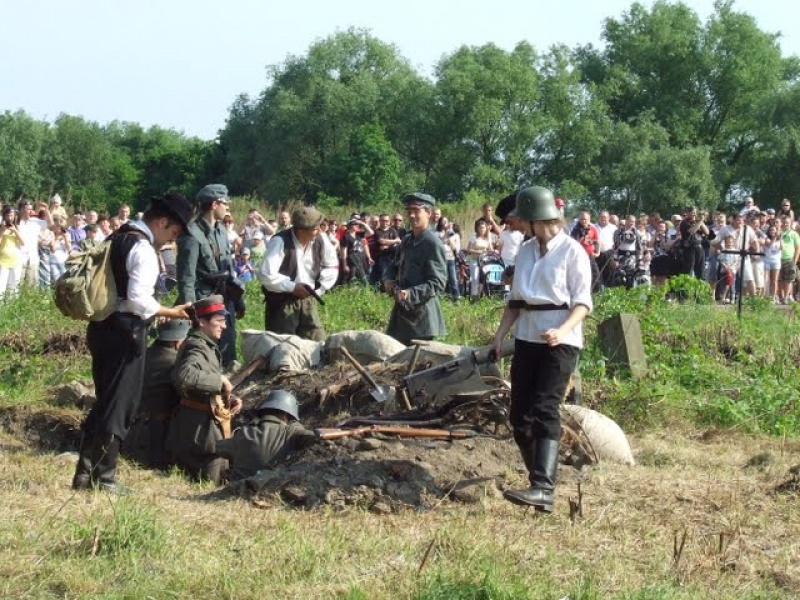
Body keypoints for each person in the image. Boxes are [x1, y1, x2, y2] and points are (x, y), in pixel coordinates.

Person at [71, 193, 193, 493]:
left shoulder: (118, 235)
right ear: (163, 222)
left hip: (102, 328)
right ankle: (106, 477)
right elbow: (139, 300)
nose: (169, 241)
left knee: (106, 401)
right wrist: (170, 311)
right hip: (125, 332)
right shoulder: (142, 248)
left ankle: (85, 474)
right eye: (173, 233)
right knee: (120, 406)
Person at [490, 186, 592, 513]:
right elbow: (516, 301)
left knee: (545, 408)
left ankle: (543, 488)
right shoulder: (526, 251)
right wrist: (499, 335)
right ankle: (538, 482)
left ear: (537, 220)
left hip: (560, 342)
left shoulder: (573, 252)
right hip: (527, 337)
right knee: (519, 415)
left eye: (524, 221)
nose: (518, 227)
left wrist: (562, 330)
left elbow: (582, 304)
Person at [168, 295, 242, 484]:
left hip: (205, 430)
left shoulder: (206, 346)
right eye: (219, 321)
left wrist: (227, 397)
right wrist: (219, 381)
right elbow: (185, 377)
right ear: (201, 322)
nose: (224, 326)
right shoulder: (196, 346)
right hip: (199, 433)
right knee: (211, 481)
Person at [176, 184, 242, 368]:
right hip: (202, 302)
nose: (227, 207)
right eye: (224, 203)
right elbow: (186, 277)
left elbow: (229, 268)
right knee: (203, 354)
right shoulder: (191, 234)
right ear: (214, 204)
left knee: (228, 353)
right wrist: (190, 310)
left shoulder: (221, 231)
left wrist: (238, 299)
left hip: (223, 299)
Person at [257, 206, 338, 340]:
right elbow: (266, 274)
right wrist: (292, 287)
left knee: (317, 344)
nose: (319, 231)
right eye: (315, 229)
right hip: (283, 303)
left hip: (308, 300)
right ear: (300, 230)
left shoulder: (321, 239)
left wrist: (319, 288)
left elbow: (332, 265)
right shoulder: (280, 241)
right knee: (283, 346)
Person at [384, 193, 447, 345]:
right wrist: (387, 279)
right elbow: (394, 264)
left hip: (422, 320)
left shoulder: (432, 243)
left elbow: (438, 283)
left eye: (416, 210)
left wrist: (410, 293)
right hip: (402, 316)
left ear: (429, 213)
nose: (411, 215)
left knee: (419, 366)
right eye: (409, 211)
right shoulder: (407, 240)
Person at [216, 390, 316, 482]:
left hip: (234, 493)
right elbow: (315, 438)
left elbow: (219, 447)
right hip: (269, 493)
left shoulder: (244, 433)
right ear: (285, 415)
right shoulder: (291, 432)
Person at [137, 318, 190, 469]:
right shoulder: (175, 362)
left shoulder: (145, 353)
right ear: (177, 342)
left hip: (138, 414)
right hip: (160, 422)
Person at [17, 200, 52, 287]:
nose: (31, 211)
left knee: (31, 287)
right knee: (16, 286)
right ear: (21, 210)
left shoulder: (35, 222)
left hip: (32, 259)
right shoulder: (16, 223)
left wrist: (46, 210)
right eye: (28, 209)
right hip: (19, 259)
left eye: (31, 209)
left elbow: (51, 224)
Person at [370, 213, 401, 287]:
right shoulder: (377, 231)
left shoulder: (392, 230)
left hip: (393, 257)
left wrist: (388, 244)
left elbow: (399, 240)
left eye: (387, 221)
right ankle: (384, 293)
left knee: (394, 276)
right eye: (383, 220)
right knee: (385, 276)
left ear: (389, 221)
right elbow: (382, 241)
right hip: (382, 257)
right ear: (380, 221)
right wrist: (393, 242)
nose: (385, 223)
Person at [0, 206, 25, 297]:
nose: (9, 218)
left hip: (15, 260)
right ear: (4, 216)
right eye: (8, 216)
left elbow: (23, 243)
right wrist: (2, 231)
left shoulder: (17, 227)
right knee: (1, 285)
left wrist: (15, 230)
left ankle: (12, 306)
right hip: (2, 261)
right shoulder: (1, 228)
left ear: (14, 216)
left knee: (14, 286)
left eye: (11, 216)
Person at [437, 216, 461, 301]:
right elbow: (438, 245)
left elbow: (456, 248)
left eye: (446, 221)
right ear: (439, 223)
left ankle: (457, 296)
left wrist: (450, 237)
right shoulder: (437, 234)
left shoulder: (455, 235)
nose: (444, 223)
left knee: (453, 278)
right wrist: (446, 236)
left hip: (451, 258)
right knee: (443, 278)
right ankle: (444, 296)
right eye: (443, 221)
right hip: (440, 259)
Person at [342, 219, 372, 284]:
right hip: (352, 260)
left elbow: (371, 232)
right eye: (354, 224)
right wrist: (345, 264)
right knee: (356, 279)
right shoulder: (346, 237)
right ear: (349, 225)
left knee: (359, 278)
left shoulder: (359, 234)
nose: (357, 225)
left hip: (361, 259)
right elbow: (344, 252)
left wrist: (363, 223)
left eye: (357, 224)